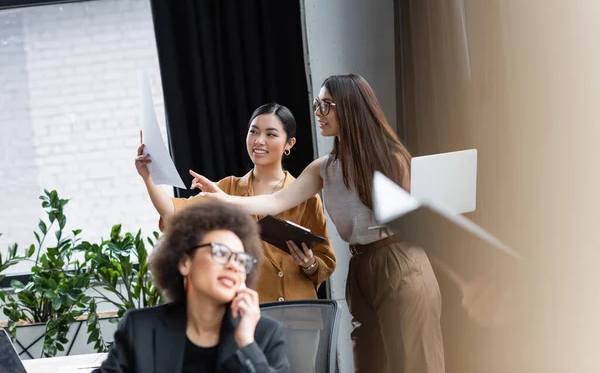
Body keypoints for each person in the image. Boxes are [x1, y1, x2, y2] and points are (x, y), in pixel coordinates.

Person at [195, 74, 445, 373]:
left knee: (415, 360)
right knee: (369, 361)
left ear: (350, 107)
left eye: (326, 105)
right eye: (317, 104)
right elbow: (275, 203)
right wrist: (223, 198)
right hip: (361, 265)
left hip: (399, 260)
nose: (317, 113)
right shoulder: (324, 167)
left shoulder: (392, 159)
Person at [135, 103, 336, 373]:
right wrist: (148, 178)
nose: (259, 141)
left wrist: (310, 264)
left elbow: (326, 260)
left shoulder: (305, 196)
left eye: (271, 134)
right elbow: (174, 213)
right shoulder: (227, 189)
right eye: (253, 132)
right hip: (246, 316)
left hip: (300, 318)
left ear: (289, 143)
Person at [94, 200, 289, 373]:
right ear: (184, 262)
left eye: (241, 260)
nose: (233, 265)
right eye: (220, 252)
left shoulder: (264, 335)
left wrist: (246, 344)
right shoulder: (140, 329)